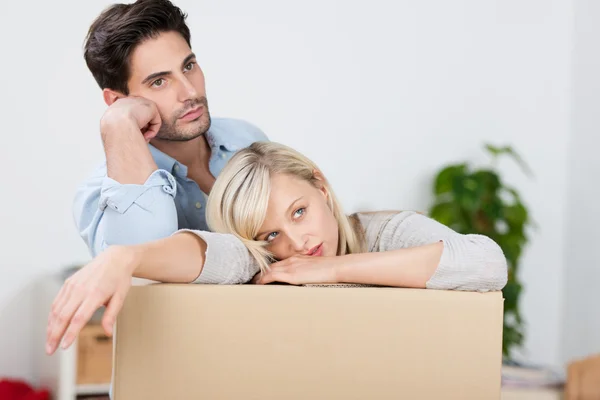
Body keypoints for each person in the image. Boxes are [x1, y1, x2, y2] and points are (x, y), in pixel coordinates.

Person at [46, 141, 508, 355]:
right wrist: (124, 256)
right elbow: (207, 254)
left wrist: (329, 270)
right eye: (269, 234)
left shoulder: (385, 233)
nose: (295, 243)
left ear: (321, 188)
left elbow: (486, 263)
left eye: (299, 212)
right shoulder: (267, 261)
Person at [74, 0, 267, 258]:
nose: (189, 92)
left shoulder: (247, 139)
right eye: (159, 82)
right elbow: (141, 267)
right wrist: (118, 123)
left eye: (188, 66)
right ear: (119, 101)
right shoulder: (100, 195)